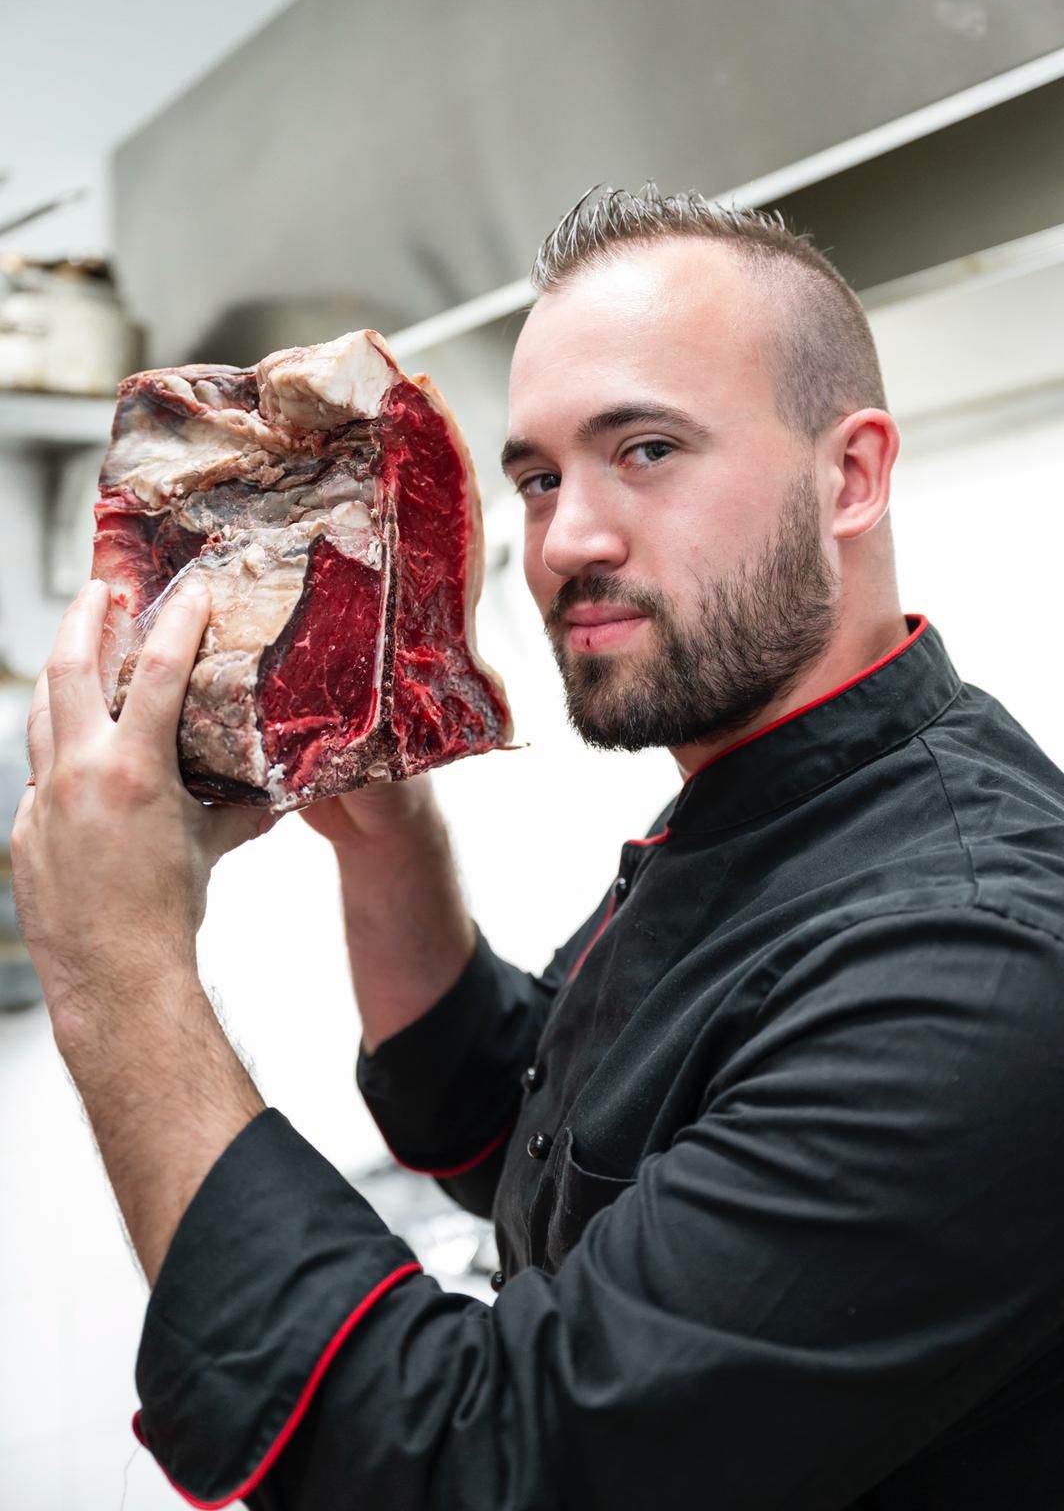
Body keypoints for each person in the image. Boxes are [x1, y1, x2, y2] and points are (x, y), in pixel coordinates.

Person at [11, 186, 1064, 1511]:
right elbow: (510, 1126)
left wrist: (117, 967)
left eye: (647, 452)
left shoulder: (968, 968)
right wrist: (388, 841)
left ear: (848, 476)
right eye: (540, 476)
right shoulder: (766, 803)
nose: (566, 540)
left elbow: (468, 1472)